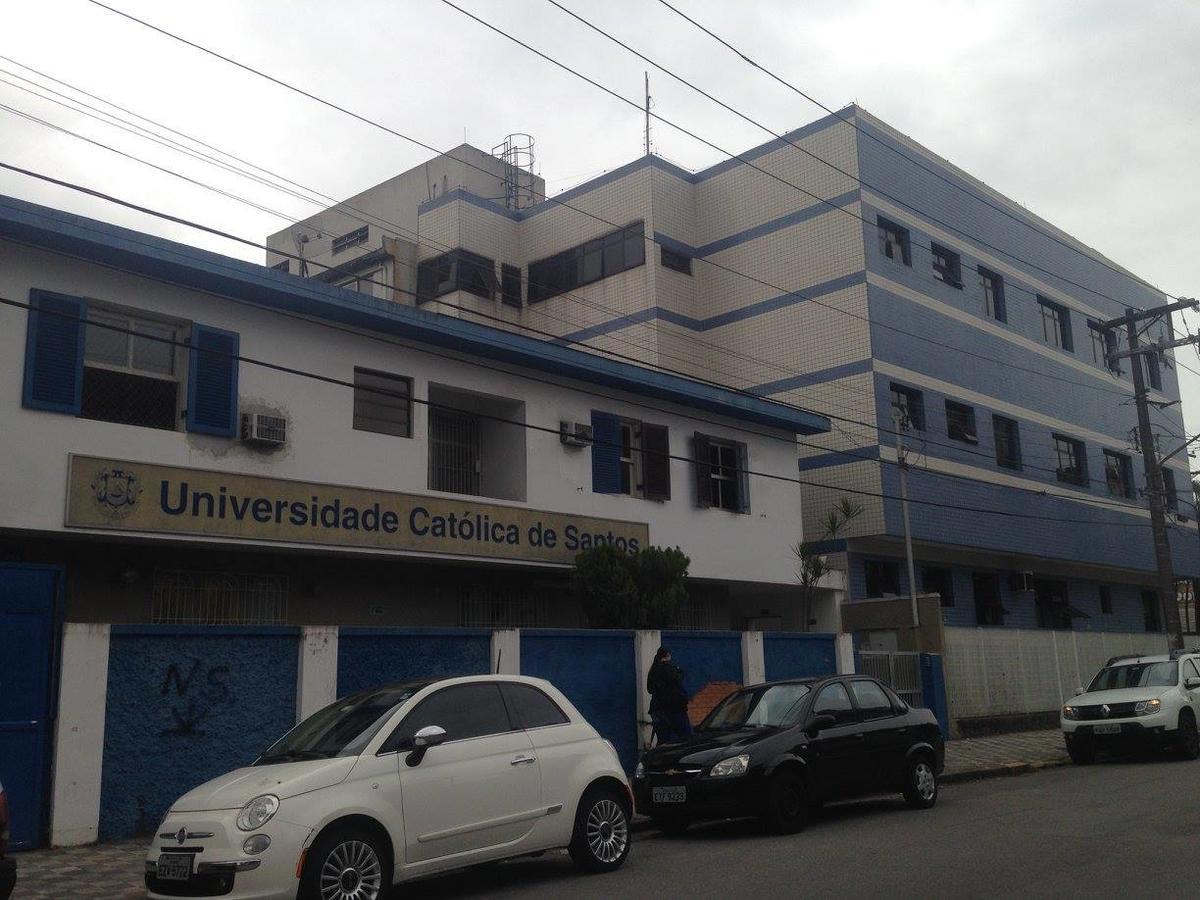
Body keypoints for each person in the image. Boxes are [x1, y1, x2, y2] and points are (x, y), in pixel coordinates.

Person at [647, 647, 691, 744]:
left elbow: (650, 689)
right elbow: (677, 682)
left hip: (657, 709)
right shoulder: (670, 669)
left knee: (663, 740)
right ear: (668, 655)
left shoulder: (653, 670)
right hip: (673, 709)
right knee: (685, 738)